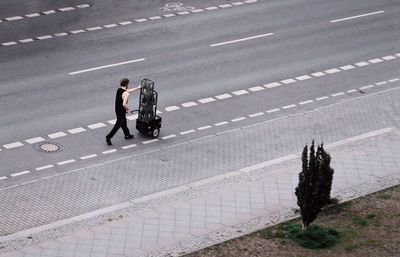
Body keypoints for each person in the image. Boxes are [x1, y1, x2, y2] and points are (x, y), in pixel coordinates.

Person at [106, 78, 141, 145]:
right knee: (117, 125)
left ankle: (127, 135)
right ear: (127, 84)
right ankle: (108, 137)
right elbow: (124, 104)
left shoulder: (119, 90)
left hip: (117, 109)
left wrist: (138, 88)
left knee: (123, 123)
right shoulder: (126, 93)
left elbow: (128, 91)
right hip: (121, 111)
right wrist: (128, 109)